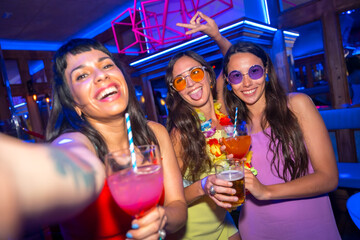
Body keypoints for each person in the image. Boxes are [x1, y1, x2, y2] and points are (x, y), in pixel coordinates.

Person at [1, 38, 188, 240]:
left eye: (107, 65)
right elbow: (70, 159)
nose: (101, 76)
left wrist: (162, 218)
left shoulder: (156, 133)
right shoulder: (76, 142)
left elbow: (177, 206)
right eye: (82, 75)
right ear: (74, 101)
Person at [221, 41, 341, 239]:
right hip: (256, 228)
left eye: (254, 71)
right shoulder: (235, 129)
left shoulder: (296, 105)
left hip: (309, 225)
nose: (247, 83)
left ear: (266, 71)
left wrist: (265, 191)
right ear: (228, 81)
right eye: (236, 76)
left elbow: (329, 178)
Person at [165, 12, 240, 240]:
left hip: (222, 219)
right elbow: (171, 199)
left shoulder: (224, 109)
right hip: (193, 230)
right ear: (176, 90)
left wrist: (216, 35)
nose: (190, 84)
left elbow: (234, 62)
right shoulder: (181, 133)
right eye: (180, 80)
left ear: (209, 76)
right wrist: (203, 185)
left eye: (195, 73)